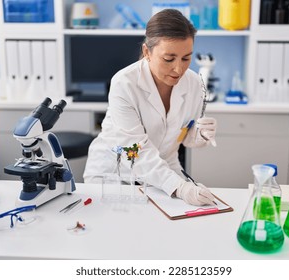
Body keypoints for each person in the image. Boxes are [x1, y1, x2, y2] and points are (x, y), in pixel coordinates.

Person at [83, 9, 217, 206]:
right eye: (169, 59)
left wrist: (201, 135)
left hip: (165, 171)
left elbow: (185, 136)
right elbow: (136, 151)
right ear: (147, 52)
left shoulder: (194, 83)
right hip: (115, 174)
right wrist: (179, 187)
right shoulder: (124, 83)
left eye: (186, 58)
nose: (178, 69)